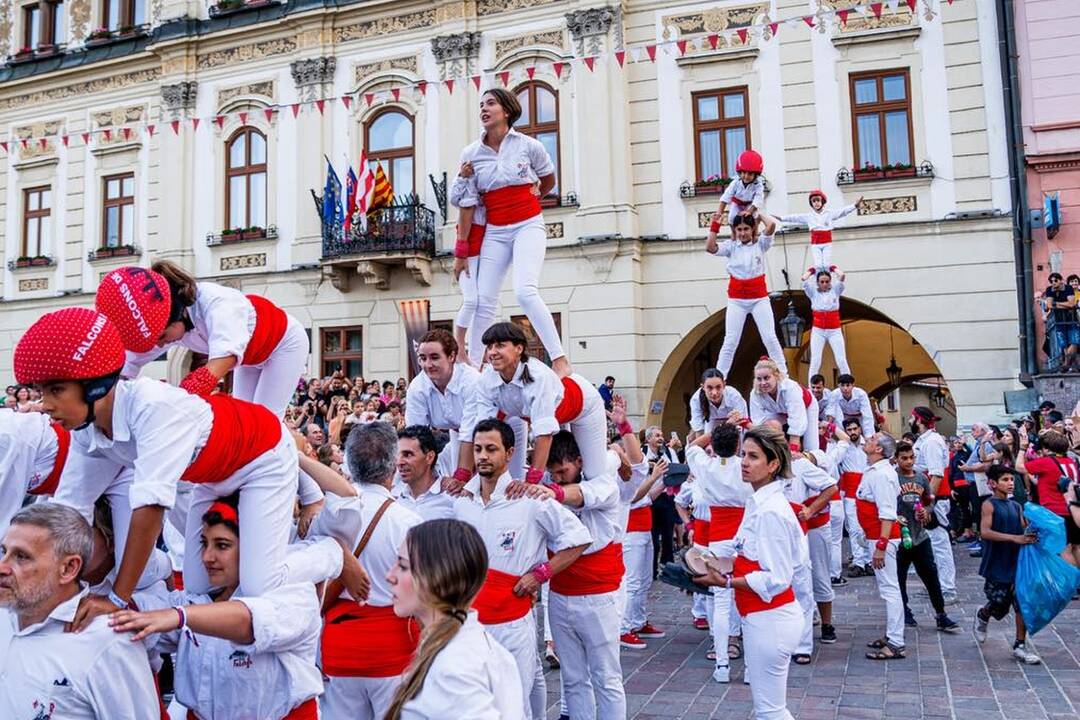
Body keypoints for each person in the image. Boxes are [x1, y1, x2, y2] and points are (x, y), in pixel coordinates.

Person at [14, 307, 300, 627]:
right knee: (198, 584)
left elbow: (149, 509)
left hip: (263, 459)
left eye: (55, 390)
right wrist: (40, 583)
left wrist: (117, 600)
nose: (45, 405)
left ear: (96, 385)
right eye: (41, 392)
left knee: (258, 582)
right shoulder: (86, 430)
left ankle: (328, 554)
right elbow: (69, 511)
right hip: (209, 476)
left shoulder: (153, 407)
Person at [108, 498, 353, 719]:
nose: (207, 557)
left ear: (253, 549)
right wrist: (110, 604)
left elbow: (249, 622)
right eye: (204, 544)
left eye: (222, 545)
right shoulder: (198, 598)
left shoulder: (293, 593)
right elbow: (145, 614)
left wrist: (179, 617)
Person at [455, 418, 590, 719]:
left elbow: (579, 539)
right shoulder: (461, 501)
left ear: (510, 452)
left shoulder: (529, 498)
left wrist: (540, 574)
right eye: (477, 449)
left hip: (512, 622)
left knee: (514, 704)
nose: (482, 456)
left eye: (491, 449)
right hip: (469, 622)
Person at [0, 503, 159, 719]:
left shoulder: (109, 642)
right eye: (3, 551)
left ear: (68, 569)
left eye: (22, 557)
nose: (2, 567)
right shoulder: (4, 614)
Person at [95, 263, 309, 418]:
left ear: (176, 315)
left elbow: (219, 365)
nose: (159, 345)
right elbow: (126, 366)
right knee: (244, 418)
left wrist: (177, 402)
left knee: (266, 420)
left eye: (161, 337)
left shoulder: (217, 303)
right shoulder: (165, 321)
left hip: (285, 344)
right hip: (250, 357)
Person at [693, 425, 805, 719]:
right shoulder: (757, 504)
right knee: (764, 708)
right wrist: (706, 564)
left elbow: (777, 578)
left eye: (754, 457)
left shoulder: (770, 511)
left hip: (771, 620)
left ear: (773, 464)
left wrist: (727, 581)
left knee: (770, 711)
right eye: (743, 454)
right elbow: (743, 554)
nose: (744, 462)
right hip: (760, 618)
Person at [457, 88, 569, 377]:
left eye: (491, 103)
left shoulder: (528, 145)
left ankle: (559, 359)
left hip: (527, 224)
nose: (484, 108)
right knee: (483, 300)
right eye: (481, 104)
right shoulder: (471, 153)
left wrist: (536, 194)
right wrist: (461, 249)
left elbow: (548, 179)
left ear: (506, 111)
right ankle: (475, 365)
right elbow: (466, 200)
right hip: (495, 230)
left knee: (525, 291)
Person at [517, 430, 625, 719]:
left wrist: (555, 492)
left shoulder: (604, 485)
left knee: (607, 678)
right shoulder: (551, 486)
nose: (559, 478)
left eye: (563, 471)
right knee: (573, 678)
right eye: (553, 474)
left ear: (580, 461)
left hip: (600, 596)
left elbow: (582, 494)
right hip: (561, 595)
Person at [320, 422, 423, 720]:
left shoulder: (328, 514)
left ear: (349, 464)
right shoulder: (408, 522)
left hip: (338, 648)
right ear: (392, 465)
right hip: (393, 650)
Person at [383, 519, 524, 719]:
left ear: (438, 576)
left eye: (403, 566)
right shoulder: (463, 648)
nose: (390, 575)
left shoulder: (455, 668)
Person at [464, 322, 607, 483]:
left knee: (594, 475)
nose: (492, 352)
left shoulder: (538, 377)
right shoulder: (486, 379)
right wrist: (465, 475)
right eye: (489, 347)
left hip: (584, 409)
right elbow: (483, 428)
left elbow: (544, 433)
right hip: (545, 417)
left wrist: (531, 481)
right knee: (554, 475)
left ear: (519, 348)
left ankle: (615, 455)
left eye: (500, 346)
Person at [406, 329, 526, 483]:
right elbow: (416, 436)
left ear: (452, 356)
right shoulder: (417, 388)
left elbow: (471, 431)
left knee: (513, 482)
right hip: (461, 432)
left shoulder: (471, 381)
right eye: (423, 358)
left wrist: (461, 475)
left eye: (434, 357)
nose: (428, 364)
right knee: (465, 484)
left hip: (506, 424)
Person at [686, 423, 752, 682]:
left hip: (719, 539)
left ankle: (722, 666)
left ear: (714, 444)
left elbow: (692, 447)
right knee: (747, 602)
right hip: (744, 537)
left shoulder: (706, 465)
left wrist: (711, 433)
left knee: (721, 604)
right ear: (738, 445)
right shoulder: (746, 466)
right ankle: (749, 669)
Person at [972, 466, 1041, 664]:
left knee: (1021, 604)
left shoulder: (1016, 506)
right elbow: (985, 532)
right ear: (993, 483)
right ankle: (983, 614)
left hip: (1016, 562)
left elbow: (1022, 527)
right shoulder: (989, 505)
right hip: (997, 562)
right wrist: (1015, 538)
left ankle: (1020, 644)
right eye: (1005, 479)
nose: (1010, 483)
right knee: (999, 604)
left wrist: (1033, 530)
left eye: (1012, 479)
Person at [707, 213, 788, 377]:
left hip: (759, 298)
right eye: (739, 229)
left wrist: (757, 213)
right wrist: (715, 226)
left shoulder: (761, 244)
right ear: (735, 230)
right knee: (730, 340)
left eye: (746, 229)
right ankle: (719, 377)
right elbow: (710, 247)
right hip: (737, 299)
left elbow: (771, 225)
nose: (743, 233)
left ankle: (784, 374)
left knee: (770, 337)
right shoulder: (731, 246)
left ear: (752, 229)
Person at [893, 442, 960, 633]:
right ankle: (904, 610)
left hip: (920, 536)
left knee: (930, 575)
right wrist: (893, 516)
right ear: (896, 459)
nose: (908, 461)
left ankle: (941, 614)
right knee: (900, 577)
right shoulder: (892, 478)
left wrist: (927, 511)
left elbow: (930, 500)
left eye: (911, 457)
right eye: (904, 458)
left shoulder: (922, 478)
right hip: (900, 536)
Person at [785, 447, 840, 658]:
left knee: (819, 576)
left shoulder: (806, 459)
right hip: (793, 529)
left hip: (816, 527)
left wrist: (811, 509)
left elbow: (830, 485)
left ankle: (826, 623)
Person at [856, 432, 906, 660]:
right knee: (887, 588)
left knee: (889, 589)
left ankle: (896, 641)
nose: (868, 439)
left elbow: (887, 513)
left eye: (872, 439)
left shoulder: (882, 475)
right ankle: (892, 634)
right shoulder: (875, 471)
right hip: (875, 536)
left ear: (879, 449)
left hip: (881, 538)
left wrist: (881, 546)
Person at [908, 406, 958, 604]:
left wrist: (928, 503)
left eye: (912, 418)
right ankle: (937, 586)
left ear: (919, 420)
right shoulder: (925, 441)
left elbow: (936, 474)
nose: (911, 421)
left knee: (939, 543)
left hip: (935, 500)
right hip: (927, 498)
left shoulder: (932, 443)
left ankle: (948, 588)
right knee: (930, 543)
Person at [1016, 429, 1080, 567]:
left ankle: (1074, 582)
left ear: (1046, 448)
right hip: (1073, 510)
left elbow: (1019, 467)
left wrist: (1022, 448)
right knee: (1076, 547)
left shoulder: (1047, 462)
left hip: (1056, 512)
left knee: (1064, 549)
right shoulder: (1070, 461)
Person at [448, 159, 486, 368]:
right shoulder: (469, 199)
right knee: (471, 301)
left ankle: (477, 352)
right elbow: (457, 200)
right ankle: (460, 348)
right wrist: (460, 253)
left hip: (483, 254)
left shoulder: (484, 199)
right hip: (468, 255)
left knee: (482, 303)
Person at [749, 357, 819, 451]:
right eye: (759, 379)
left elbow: (797, 419)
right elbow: (758, 421)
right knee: (768, 426)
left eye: (766, 378)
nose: (763, 383)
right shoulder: (755, 393)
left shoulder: (790, 387)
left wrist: (793, 449)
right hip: (779, 412)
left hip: (807, 407)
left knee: (810, 446)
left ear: (776, 375)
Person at [781, 189, 861, 270]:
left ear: (822, 201)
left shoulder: (829, 214)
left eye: (818, 200)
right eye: (814, 201)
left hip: (827, 242)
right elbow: (795, 217)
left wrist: (854, 206)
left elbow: (842, 212)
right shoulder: (809, 216)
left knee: (826, 265)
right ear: (811, 204)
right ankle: (818, 279)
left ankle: (826, 279)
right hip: (816, 243)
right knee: (818, 265)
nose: (816, 203)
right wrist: (781, 218)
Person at [394, 425, 455, 521]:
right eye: (397, 455)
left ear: (429, 457)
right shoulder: (394, 499)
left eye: (408, 455)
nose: (399, 462)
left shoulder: (452, 500)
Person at [800, 267, 850, 381]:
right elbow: (804, 278)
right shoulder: (813, 293)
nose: (824, 284)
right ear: (817, 282)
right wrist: (812, 271)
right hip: (818, 330)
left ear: (830, 282)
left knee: (841, 359)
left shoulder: (835, 290)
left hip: (834, 330)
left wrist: (833, 268)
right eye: (822, 282)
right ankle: (811, 387)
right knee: (816, 360)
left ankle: (848, 383)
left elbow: (842, 276)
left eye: (827, 281)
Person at [688, 368, 748, 441]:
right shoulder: (696, 400)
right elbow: (699, 433)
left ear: (724, 385)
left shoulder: (734, 396)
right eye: (709, 388)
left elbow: (741, 426)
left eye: (718, 387)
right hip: (711, 424)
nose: (714, 393)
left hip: (734, 427)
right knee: (693, 439)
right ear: (703, 387)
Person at [715, 149, 765, 223]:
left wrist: (749, 211)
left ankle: (755, 233)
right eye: (744, 173)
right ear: (739, 172)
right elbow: (726, 196)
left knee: (754, 216)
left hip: (750, 205)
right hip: (737, 204)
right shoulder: (735, 182)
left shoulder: (758, 185)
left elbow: (758, 198)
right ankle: (734, 233)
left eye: (750, 174)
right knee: (731, 217)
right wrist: (719, 212)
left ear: (756, 175)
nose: (746, 176)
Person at [1042, 272, 1078, 370]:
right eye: (1051, 281)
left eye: (1055, 280)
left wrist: (1056, 304)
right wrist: (1062, 304)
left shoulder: (1068, 288)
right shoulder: (1050, 290)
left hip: (1071, 319)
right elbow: (1049, 305)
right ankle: (1071, 366)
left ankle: (1066, 364)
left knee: (1075, 341)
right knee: (1064, 344)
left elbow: (1072, 304)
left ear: (1061, 280)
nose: (1053, 283)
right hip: (1058, 319)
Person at [823, 374, 874, 439]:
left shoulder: (861, 394)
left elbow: (867, 415)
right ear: (838, 385)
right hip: (844, 417)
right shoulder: (834, 394)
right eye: (842, 385)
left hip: (860, 417)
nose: (845, 388)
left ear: (853, 385)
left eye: (848, 385)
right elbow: (831, 411)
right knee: (840, 434)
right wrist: (828, 426)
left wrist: (868, 436)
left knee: (867, 434)